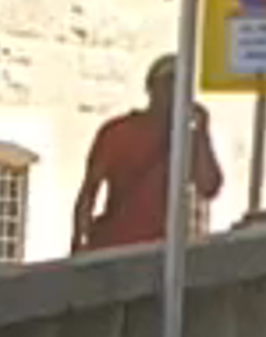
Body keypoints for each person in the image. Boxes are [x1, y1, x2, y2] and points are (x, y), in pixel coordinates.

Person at [73, 60, 223, 258]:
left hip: (167, 251)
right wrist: (80, 242)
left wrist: (202, 131)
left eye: (181, 83)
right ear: (151, 87)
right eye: (168, 82)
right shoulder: (117, 132)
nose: (174, 90)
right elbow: (89, 191)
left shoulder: (188, 139)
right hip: (117, 246)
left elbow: (209, 186)